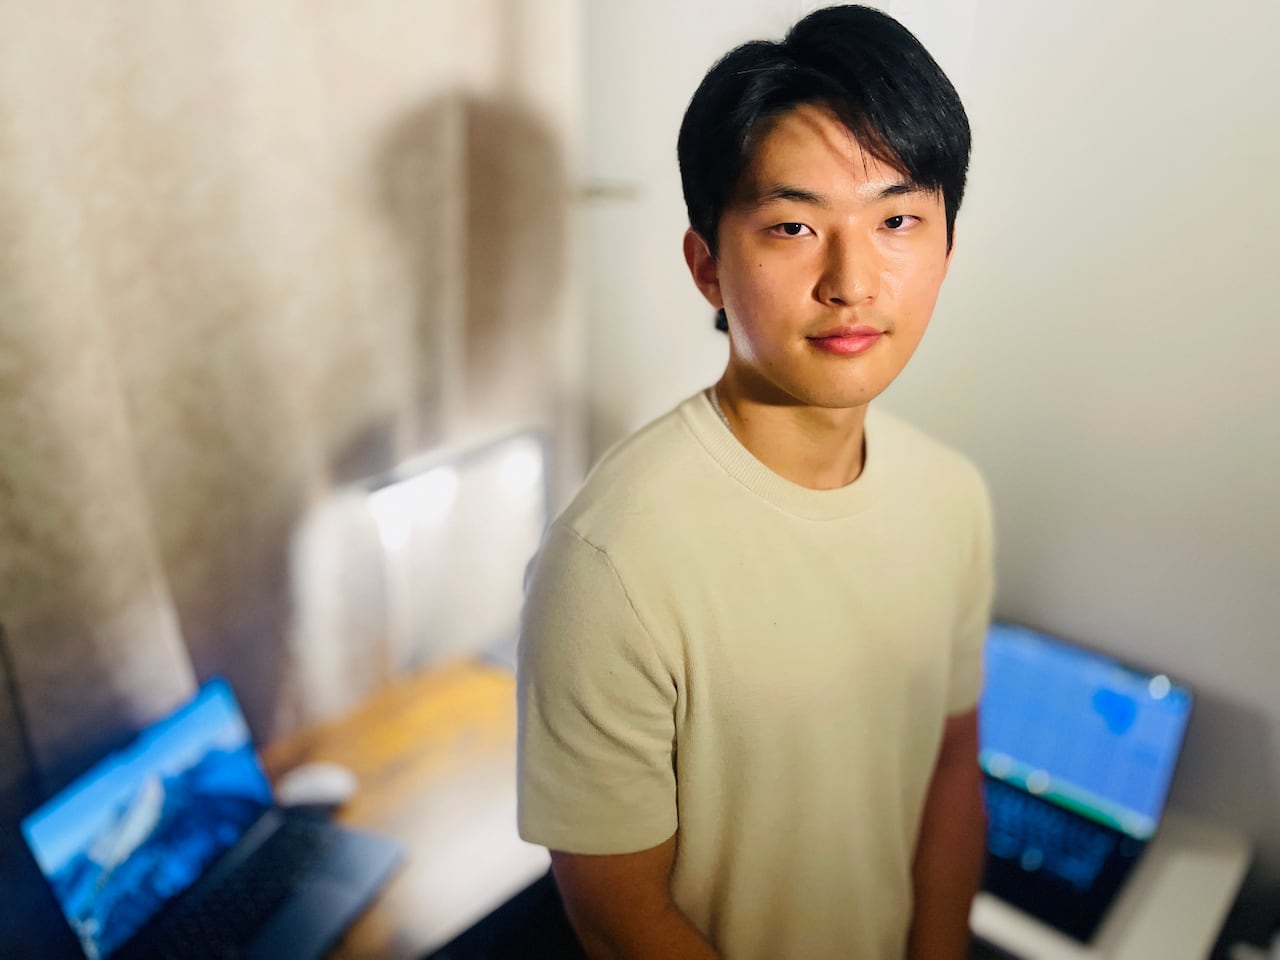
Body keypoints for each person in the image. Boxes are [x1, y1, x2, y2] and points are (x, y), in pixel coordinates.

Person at [516, 5, 994, 958]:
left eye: (898, 219)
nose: (852, 280)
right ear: (707, 266)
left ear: (946, 247)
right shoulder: (609, 566)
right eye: (792, 227)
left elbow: (947, 768)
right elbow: (621, 921)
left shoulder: (953, 499)